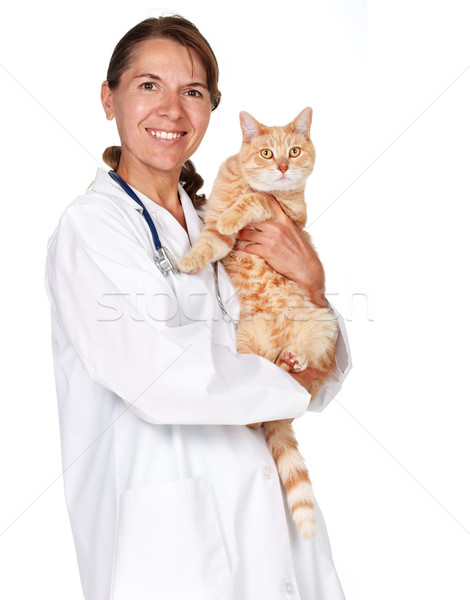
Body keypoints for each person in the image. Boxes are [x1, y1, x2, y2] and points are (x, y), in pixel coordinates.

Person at [45, 15, 352, 600]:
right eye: (147, 86)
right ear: (108, 99)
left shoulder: (226, 218)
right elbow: (159, 374)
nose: (172, 110)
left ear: (212, 109)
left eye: (192, 92)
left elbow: (305, 352)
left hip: (273, 524)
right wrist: (291, 384)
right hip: (169, 547)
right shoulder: (94, 229)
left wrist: (312, 285)